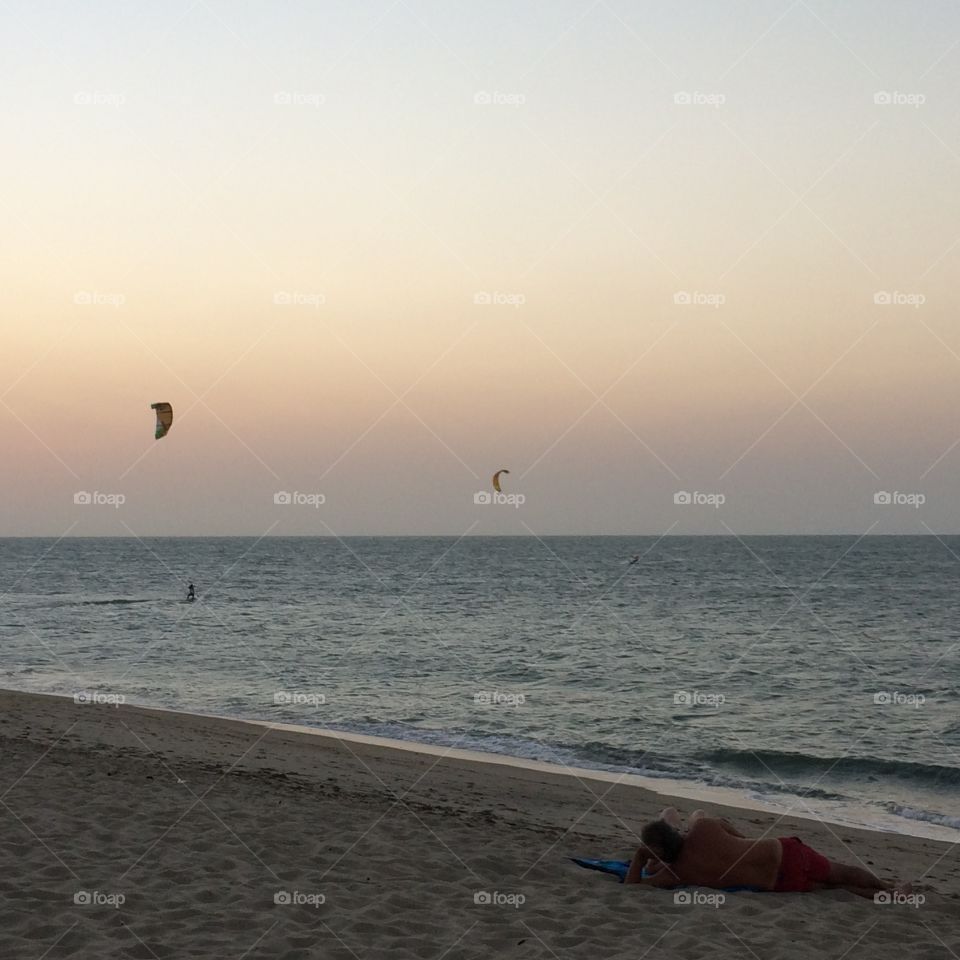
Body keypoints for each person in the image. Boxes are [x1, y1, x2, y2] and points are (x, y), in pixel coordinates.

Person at [625, 807, 909, 898]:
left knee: (833, 887)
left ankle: (884, 896)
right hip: (783, 853)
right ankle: (890, 890)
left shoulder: (676, 873)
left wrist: (641, 859)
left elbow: (633, 887)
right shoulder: (704, 828)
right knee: (840, 872)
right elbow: (738, 835)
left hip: (780, 885)